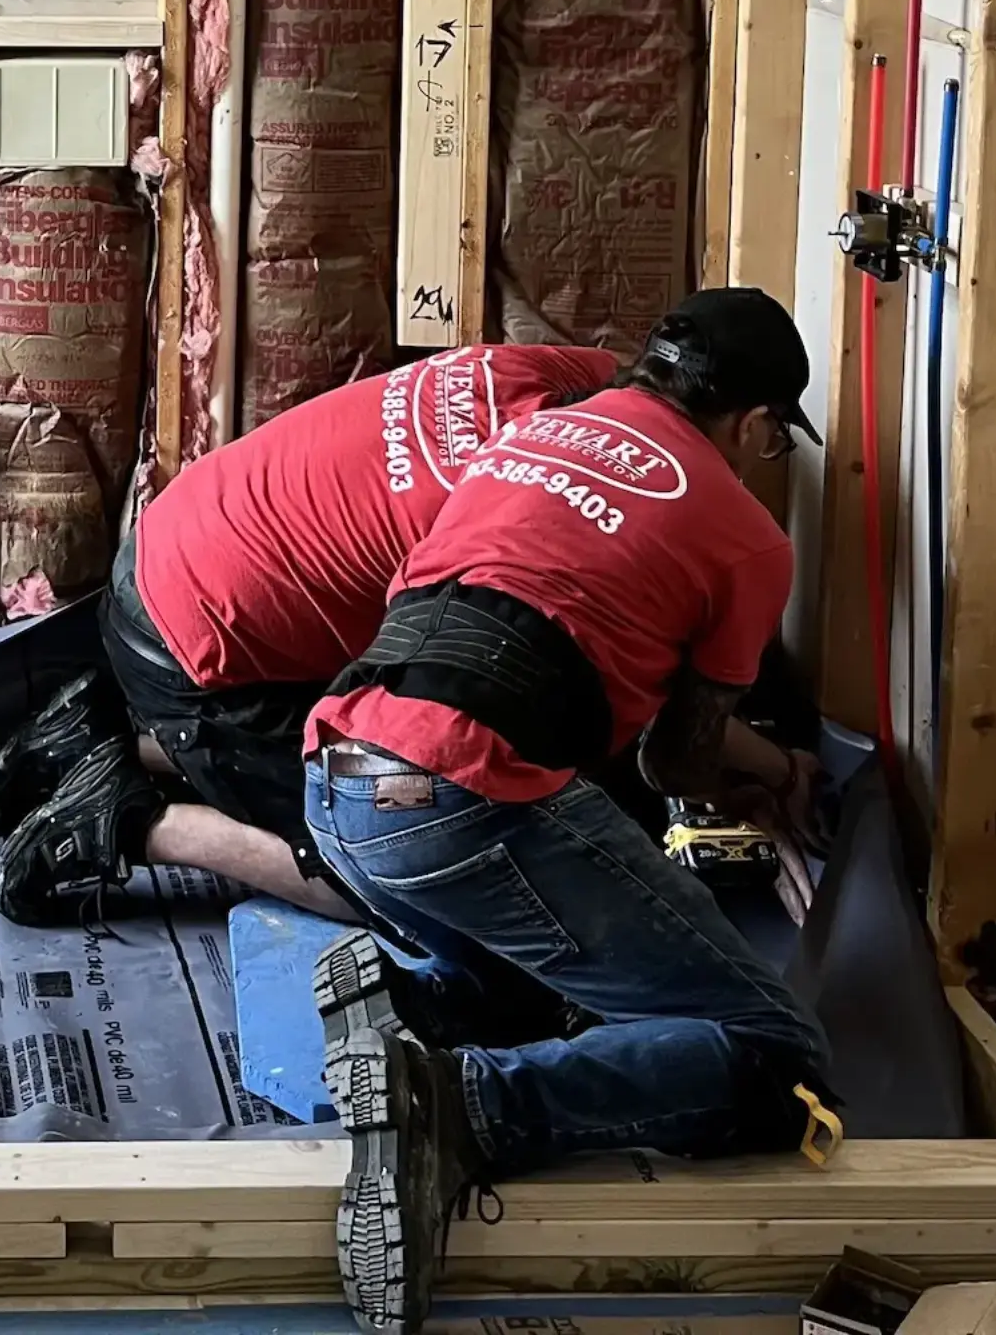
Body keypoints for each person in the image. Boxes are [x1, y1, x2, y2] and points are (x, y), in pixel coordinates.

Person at [301, 288, 839, 1335]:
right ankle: (453, 1106)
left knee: (562, 1004)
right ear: (760, 425)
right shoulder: (748, 537)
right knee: (773, 1051)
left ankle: (427, 1014)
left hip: (339, 786)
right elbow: (676, 760)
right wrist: (772, 778)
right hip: (460, 800)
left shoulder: (527, 435)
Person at [0, 340, 616, 921]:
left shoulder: (560, 372)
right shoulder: (511, 528)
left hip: (163, 563)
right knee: (414, 847)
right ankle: (132, 820)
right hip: (201, 664)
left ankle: (112, 735)